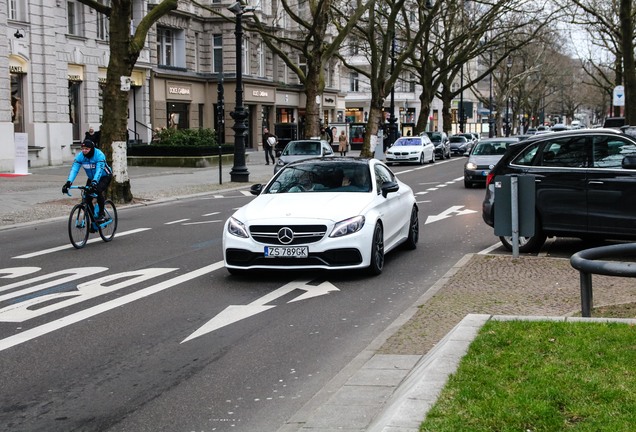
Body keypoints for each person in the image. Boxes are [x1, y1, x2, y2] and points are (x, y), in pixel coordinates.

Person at [62, 139, 113, 223]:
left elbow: (99, 170)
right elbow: (74, 169)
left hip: (104, 176)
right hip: (92, 178)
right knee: (87, 196)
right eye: (83, 148)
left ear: (92, 149)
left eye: (87, 149)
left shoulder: (99, 155)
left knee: (97, 191)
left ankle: (101, 214)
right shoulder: (80, 156)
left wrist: (95, 182)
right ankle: (93, 218)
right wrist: (68, 182)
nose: (84, 151)